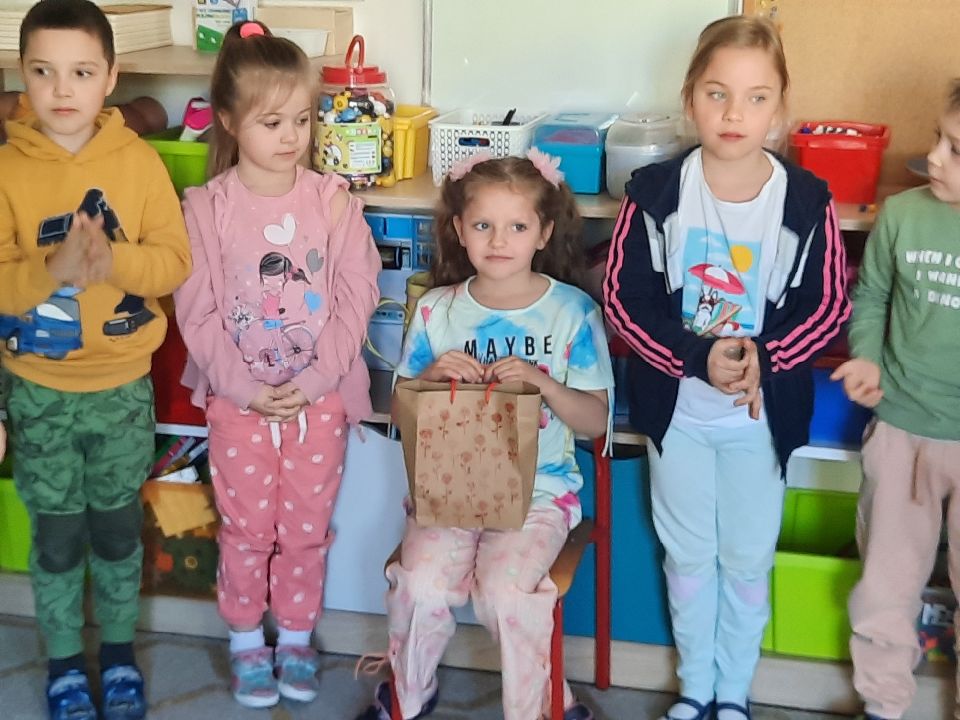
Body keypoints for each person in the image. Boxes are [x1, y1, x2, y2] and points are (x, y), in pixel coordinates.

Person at [602, 16, 850, 720]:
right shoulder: (655, 193)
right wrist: (695, 357)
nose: (734, 114)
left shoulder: (807, 201)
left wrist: (765, 360)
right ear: (690, 100)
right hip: (679, 416)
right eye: (717, 94)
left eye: (755, 97)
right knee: (687, 557)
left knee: (746, 559)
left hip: (759, 422)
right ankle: (696, 687)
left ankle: (734, 692)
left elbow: (829, 304)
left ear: (779, 109)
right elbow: (622, 298)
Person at [357, 150, 614, 720]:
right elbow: (400, 413)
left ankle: (542, 708)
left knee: (505, 594)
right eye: (482, 226)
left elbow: (595, 422)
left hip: (539, 495)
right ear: (459, 230)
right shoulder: (437, 311)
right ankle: (406, 698)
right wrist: (428, 378)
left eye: (517, 227)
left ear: (544, 233)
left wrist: (543, 384)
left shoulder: (572, 313)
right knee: (420, 585)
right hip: (449, 491)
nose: (499, 241)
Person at [174, 20, 381, 710]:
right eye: (272, 122)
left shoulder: (332, 201)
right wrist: (242, 389)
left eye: (301, 118)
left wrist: (316, 381)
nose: (292, 136)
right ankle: (245, 642)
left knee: (304, 530)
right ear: (229, 121)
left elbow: (358, 294)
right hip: (238, 405)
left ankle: (294, 637)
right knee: (245, 529)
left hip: (319, 402)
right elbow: (196, 310)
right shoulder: (206, 208)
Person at [0, 1, 192, 718]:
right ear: (22, 76)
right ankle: (61, 663)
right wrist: (51, 268)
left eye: (81, 72)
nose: (62, 89)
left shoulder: (138, 164)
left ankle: (116, 654)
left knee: (115, 532)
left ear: (110, 78)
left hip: (122, 390)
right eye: (43, 71)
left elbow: (174, 263)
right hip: (37, 390)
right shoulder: (6, 169)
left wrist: (115, 260)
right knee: (55, 540)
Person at [831, 80, 960, 720]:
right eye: (940, 138)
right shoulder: (905, 213)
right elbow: (873, 298)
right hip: (902, 428)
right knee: (885, 585)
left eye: (956, 149)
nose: (933, 156)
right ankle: (883, 705)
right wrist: (866, 357)